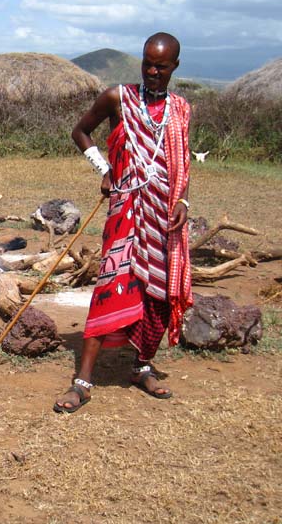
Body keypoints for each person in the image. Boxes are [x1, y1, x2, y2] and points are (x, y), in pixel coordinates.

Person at [53, 32, 192, 413]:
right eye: (147, 63)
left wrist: (181, 200)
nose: (151, 71)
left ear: (174, 67)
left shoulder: (180, 109)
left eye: (160, 66)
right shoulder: (119, 97)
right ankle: (82, 381)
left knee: (158, 297)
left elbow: (181, 166)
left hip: (164, 217)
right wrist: (105, 169)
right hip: (126, 213)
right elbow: (80, 132)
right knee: (110, 289)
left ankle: (141, 366)